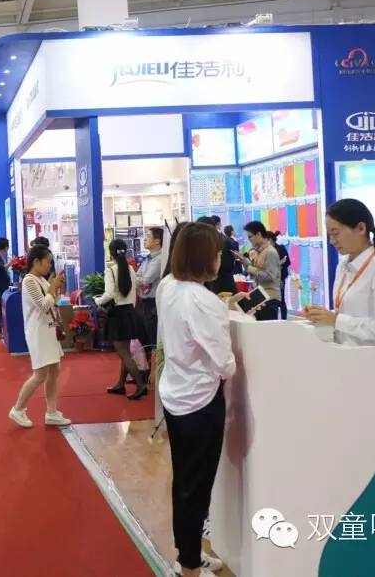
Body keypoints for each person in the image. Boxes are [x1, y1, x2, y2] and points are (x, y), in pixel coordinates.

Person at [301, 199, 375, 564]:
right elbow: (345, 317)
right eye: (329, 234)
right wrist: (323, 321)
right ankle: (367, 538)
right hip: (350, 374)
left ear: (361, 228)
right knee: (358, 460)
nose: (332, 240)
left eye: (336, 233)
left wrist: (337, 320)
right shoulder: (344, 267)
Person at [158, 223, 241, 577]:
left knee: (184, 481)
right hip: (201, 402)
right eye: (217, 253)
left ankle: (188, 555)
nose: (220, 259)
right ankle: (190, 564)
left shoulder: (167, 286)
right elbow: (225, 363)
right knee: (197, 486)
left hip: (175, 395)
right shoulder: (203, 301)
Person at [8, 245, 70, 428]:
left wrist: (54, 289)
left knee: (54, 370)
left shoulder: (41, 280)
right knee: (40, 374)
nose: (50, 265)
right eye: (48, 262)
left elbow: (52, 302)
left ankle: (51, 412)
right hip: (39, 332)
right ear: (36, 261)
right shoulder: (29, 281)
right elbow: (43, 305)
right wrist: (52, 288)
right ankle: (18, 409)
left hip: (48, 330)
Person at [98, 239, 149, 400]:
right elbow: (133, 293)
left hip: (117, 314)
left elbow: (109, 294)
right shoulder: (130, 269)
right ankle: (120, 384)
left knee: (124, 353)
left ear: (111, 252)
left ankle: (141, 384)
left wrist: (98, 301)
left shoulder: (110, 270)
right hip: (129, 312)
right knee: (124, 352)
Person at [134, 226, 165, 381]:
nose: (145, 239)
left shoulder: (160, 259)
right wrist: (138, 280)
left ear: (158, 241)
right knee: (144, 338)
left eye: (148, 236)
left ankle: (156, 374)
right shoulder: (148, 258)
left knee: (154, 340)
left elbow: (145, 280)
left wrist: (138, 280)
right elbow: (137, 277)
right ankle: (145, 373)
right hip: (144, 303)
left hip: (153, 304)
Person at [233, 221, 281, 321]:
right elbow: (255, 272)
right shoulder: (258, 251)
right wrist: (244, 261)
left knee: (267, 329)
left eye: (250, 236)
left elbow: (270, 276)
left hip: (270, 297)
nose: (249, 240)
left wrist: (250, 268)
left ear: (258, 234)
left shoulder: (270, 252)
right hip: (260, 296)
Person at [198, 217, 236, 295]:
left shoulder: (223, 242)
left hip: (222, 285)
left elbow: (228, 266)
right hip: (210, 285)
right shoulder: (207, 243)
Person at [266, 231, 291, 319]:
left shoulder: (281, 248)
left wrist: (279, 265)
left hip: (280, 278)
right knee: (273, 300)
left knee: (281, 300)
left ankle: (284, 319)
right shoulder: (266, 250)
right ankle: (274, 319)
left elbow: (288, 262)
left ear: (270, 240)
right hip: (269, 278)